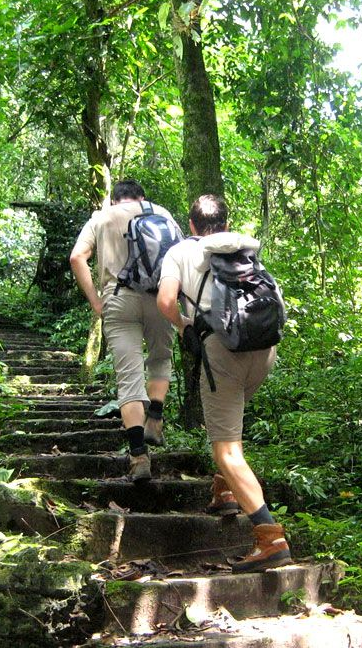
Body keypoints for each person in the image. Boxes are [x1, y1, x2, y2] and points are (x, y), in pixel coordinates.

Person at [156, 194, 292, 574]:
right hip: (263, 349)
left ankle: (270, 538)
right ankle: (225, 491)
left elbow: (167, 301)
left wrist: (184, 325)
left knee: (226, 450)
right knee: (230, 425)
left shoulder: (180, 251)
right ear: (226, 222)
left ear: (192, 224)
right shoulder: (243, 249)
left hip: (223, 351)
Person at [69, 179, 180, 481]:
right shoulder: (162, 213)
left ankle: (138, 456)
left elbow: (77, 257)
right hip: (159, 297)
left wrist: (96, 301)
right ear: (142, 197)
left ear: (114, 200)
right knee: (160, 358)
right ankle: (155, 417)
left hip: (118, 298)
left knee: (129, 377)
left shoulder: (102, 217)